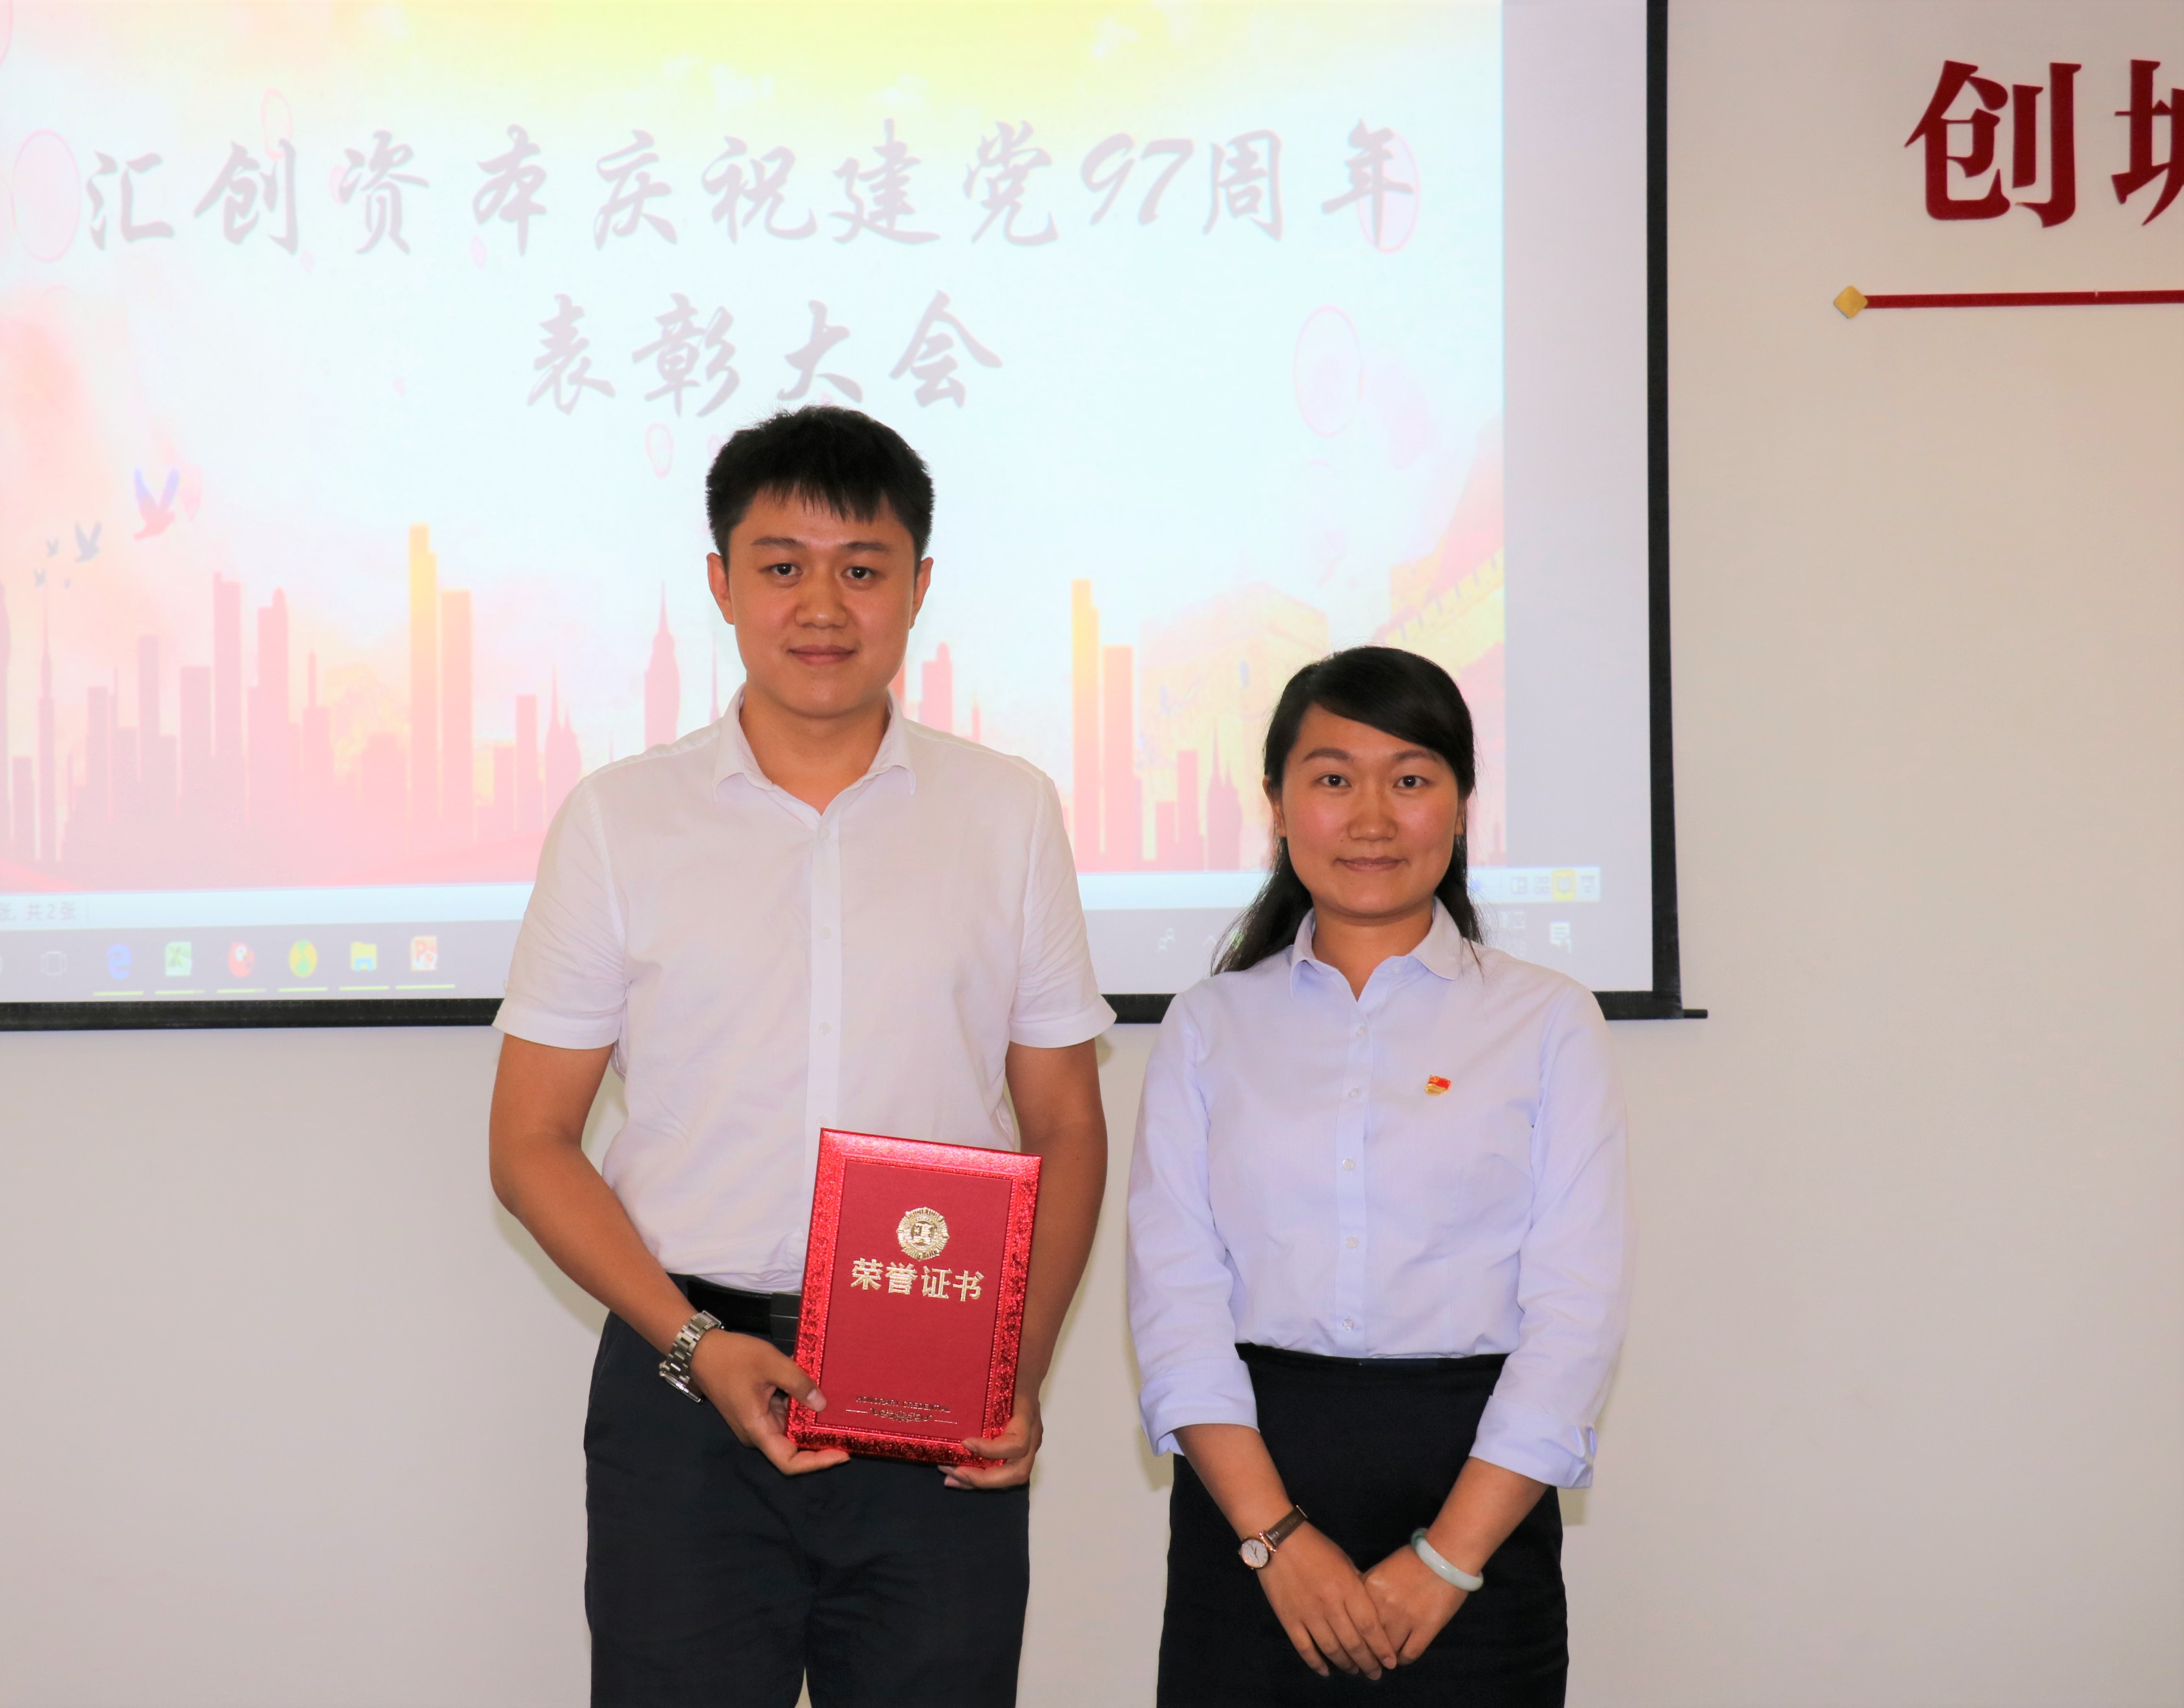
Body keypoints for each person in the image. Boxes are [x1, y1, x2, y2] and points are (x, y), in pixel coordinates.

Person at [490, 404, 1113, 1708]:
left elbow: (1064, 1117)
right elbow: (531, 1142)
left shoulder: (1006, 814)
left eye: (862, 568)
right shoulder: (619, 821)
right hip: (684, 1387)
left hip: (935, 1385)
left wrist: (1016, 1364)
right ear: (722, 584)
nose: (822, 605)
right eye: (782, 566)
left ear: (919, 586)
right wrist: (695, 1344)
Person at [1127, 646, 1631, 1705]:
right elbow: (1176, 1304)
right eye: (1332, 779)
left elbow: (1575, 1316)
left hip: (1477, 1503)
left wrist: (1447, 1563)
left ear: (1460, 806)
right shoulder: (1210, 1025)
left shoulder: (1546, 1019)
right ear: (1277, 807)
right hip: (1248, 1502)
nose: (1371, 818)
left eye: (1409, 779)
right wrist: (1276, 1541)